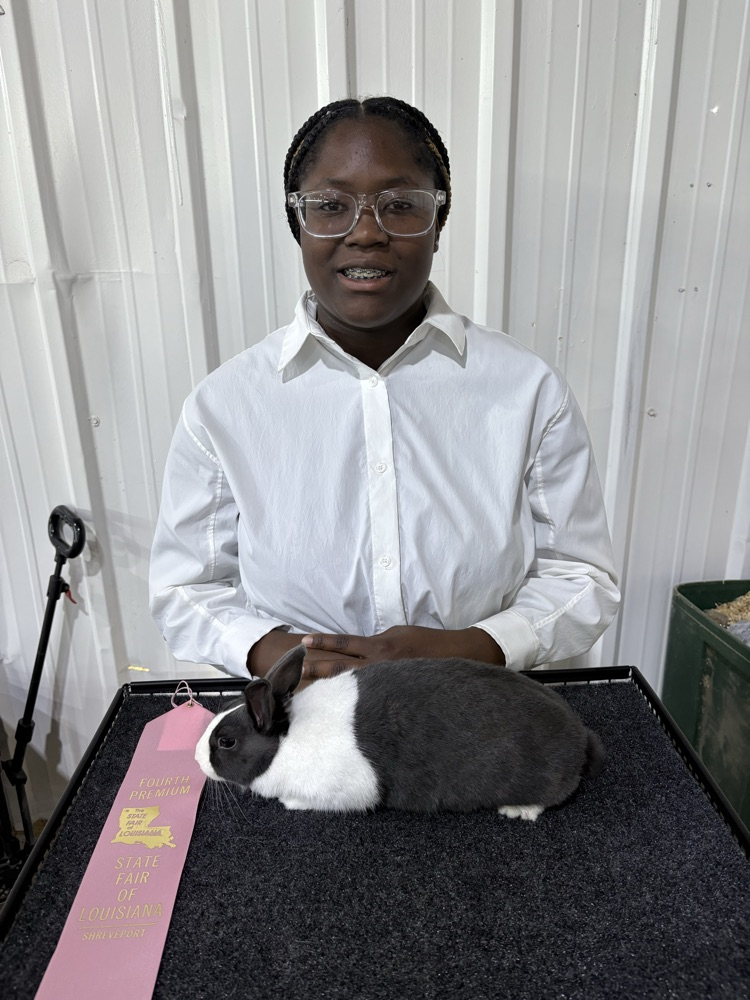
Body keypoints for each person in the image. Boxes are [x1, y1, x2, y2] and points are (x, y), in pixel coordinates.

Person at [149, 96, 619, 681]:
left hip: (477, 711)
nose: (366, 232)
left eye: (400, 205)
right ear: (298, 222)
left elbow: (581, 576)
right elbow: (186, 588)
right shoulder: (225, 407)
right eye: (329, 206)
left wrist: (476, 646)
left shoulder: (526, 389)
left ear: (439, 222)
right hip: (301, 722)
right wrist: (275, 652)